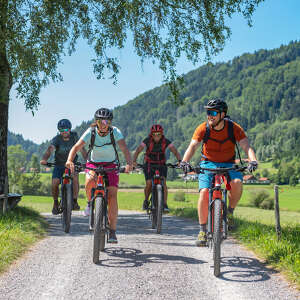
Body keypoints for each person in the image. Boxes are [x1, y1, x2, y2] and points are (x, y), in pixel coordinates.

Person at [181, 99, 258, 246]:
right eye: (208, 112)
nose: (209, 116)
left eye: (213, 113)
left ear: (223, 114)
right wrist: (184, 162)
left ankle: (229, 212)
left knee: (237, 183)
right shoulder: (203, 128)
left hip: (229, 163)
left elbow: (246, 146)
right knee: (204, 192)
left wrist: (253, 161)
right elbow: (192, 146)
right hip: (207, 163)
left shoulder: (233, 128)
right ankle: (202, 230)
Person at [66, 108, 132, 243]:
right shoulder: (90, 132)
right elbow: (76, 147)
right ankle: (90, 203)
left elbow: (124, 148)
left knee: (112, 196)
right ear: (96, 122)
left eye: (107, 121)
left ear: (110, 122)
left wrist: (129, 164)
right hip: (94, 164)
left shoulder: (115, 132)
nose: (104, 124)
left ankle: (112, 231)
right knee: (90, 181)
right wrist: (69, 160)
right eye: (101, 121)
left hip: (111, 165)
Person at [40, 119, 87, 215]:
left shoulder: (74, 137)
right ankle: (55, 203)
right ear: (59, 131)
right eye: (61, 130)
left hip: (72, 164)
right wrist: (44, 159)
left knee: (75, 179)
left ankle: (74, 201)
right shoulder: (57, 139)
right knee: (54, 183)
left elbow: (82, 149)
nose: (64, 132)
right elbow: (50, 150)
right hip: (59, 164)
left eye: (66, 130)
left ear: (70, 129)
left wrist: (87, 161)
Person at [133, 124, 181, 212]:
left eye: (158, 134)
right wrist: (134, 161)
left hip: (161, 164)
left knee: (164, 184)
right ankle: (146, 201)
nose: (156, 136)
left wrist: (179, 161)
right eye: (154, 134)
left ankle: (165, 204)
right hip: (149, 164)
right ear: (151, 134)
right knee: (148, 183)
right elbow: (138, 150)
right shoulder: (147, 140)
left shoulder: (166, 141)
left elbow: (175, 151)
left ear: (161, 134)